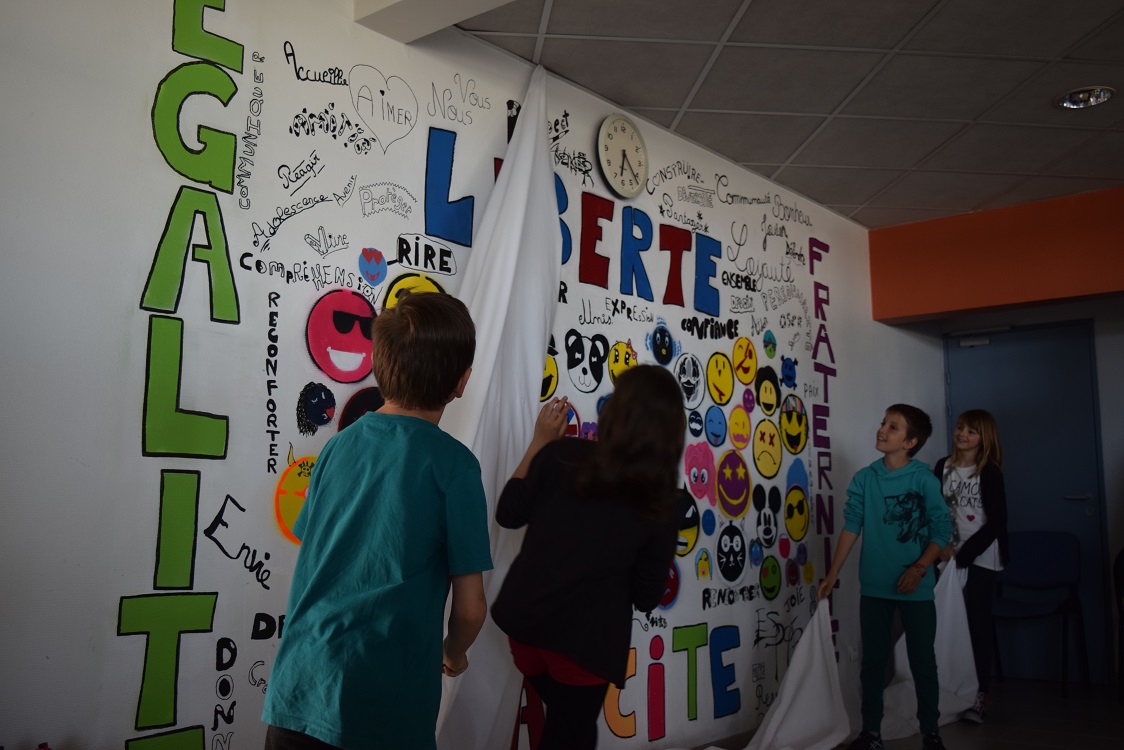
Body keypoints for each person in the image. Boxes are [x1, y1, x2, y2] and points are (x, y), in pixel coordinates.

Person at [262, 292, 493, 750]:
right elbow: (470, 610)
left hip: (299, 690)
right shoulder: (456, 467)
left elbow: (316, 545)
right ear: (462, 381)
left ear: (378, 363)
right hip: (386, 709)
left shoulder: (337, 446)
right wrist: (453, 653)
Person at [491, 365, 685, 750]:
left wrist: (540, 443)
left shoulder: (562, 454)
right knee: (573, 732)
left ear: (613, 413)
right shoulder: (662, 503)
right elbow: (647, 597)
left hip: (524, 631)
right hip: (582, 649)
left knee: (569, 727)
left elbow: (508, 513)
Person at [817, 404, 952, 750]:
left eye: (893, 427)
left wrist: (919, 568)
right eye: (883, 423)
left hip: (916, 585)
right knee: (873, 661)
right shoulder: (865, 477)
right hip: (875, 586)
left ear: (910, 442)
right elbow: (851, 526)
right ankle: (871, 733)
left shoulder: (923, 478)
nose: (882, 430)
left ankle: (931, 732)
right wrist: (833, 574)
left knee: (923, 661)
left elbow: (941, 531)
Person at [934, 409, 1008, 724]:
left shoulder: (989, 471)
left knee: (977, 625)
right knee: (943, 622)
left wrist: (964, 555)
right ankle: (945, 688)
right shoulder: (942, 467)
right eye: (961, 427)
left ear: (984, 438)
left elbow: (996, 523)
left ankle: (979, 695)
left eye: (972, 431)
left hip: (980, 558)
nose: (963, 434)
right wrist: (942, 549)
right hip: (945, 556)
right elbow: (933, 511)